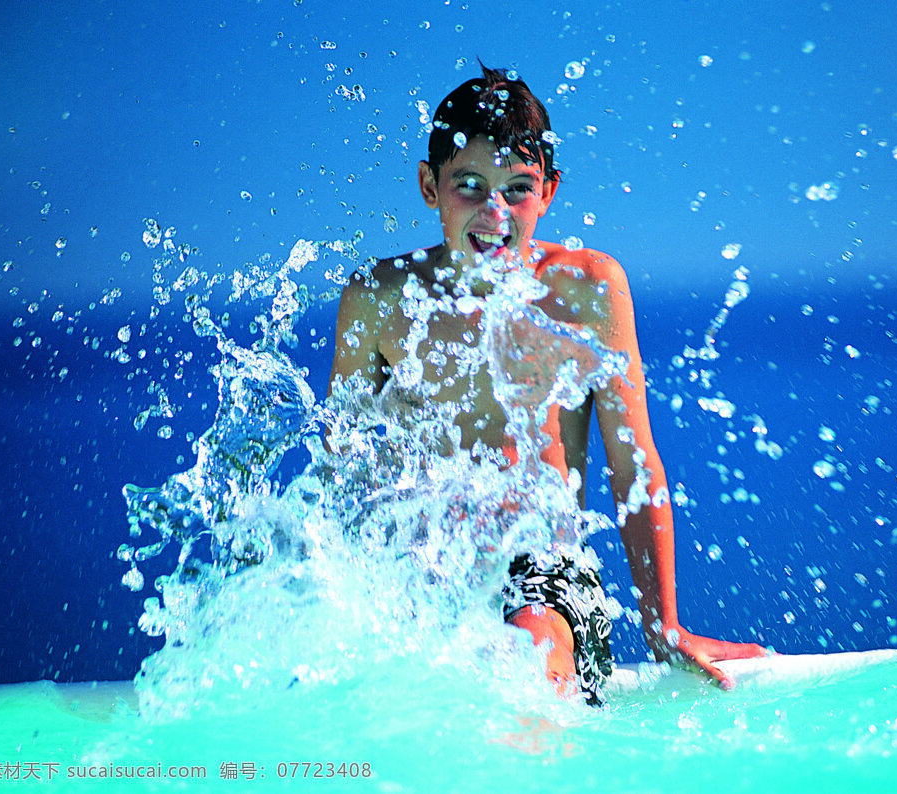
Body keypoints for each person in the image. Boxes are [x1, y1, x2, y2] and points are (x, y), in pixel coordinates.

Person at [329, 65, 767, 704]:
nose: (494, 211)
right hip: (424, 577)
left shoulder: (585, 292)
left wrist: (663, 625)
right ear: (430, 185)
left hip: (546, 577)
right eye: (469, 185)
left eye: (518, 189)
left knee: (528, 662)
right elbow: (347, 466)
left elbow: (633, 462)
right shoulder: (379, 298)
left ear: (550, 191)